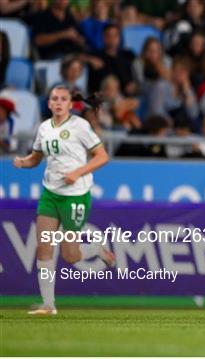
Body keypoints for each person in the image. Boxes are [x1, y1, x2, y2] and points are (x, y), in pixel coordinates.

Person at [12, 86, 114, 315]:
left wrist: (78, 172)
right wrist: (23, 161)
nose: (58, 103)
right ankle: (49, 304)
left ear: (70, 104)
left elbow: (102, 156)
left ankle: (96, 249)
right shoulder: (44, 128)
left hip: (75, 195)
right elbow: (36, 158)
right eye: (54, 99)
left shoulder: (80, 126)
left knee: (70, 255)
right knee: (44, 249)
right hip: (50, 193)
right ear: (49, 104)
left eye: (63, 99)